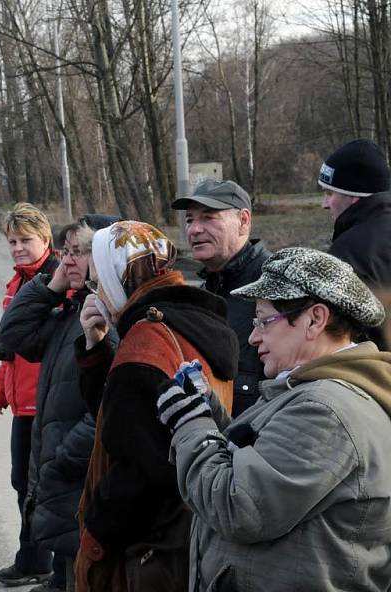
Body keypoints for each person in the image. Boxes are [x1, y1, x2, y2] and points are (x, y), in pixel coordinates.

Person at [158, 247, 391, 591]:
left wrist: (193, 426)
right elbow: (263, 463)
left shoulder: (326, 410)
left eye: (264, 321)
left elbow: (239, 506)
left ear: (315, 319)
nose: (253, 337)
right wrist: (210, 413)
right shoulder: (311, 393)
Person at [72, 221, 238, 592]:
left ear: (120, 278)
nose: (95, 293)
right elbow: (130, 419)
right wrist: (97, 348)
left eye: (98, 281)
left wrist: (94, 537)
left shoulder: (144, 346)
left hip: (153, 552)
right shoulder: (198, 322)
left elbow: (137, 468)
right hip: (202, 533)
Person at [0, 215, 119, 592]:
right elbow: (14, 334)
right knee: (69, 564)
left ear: (107, 258)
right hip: (65, 475)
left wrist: (66, 456)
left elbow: (108, 404)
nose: (67, 261)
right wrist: (52, 286)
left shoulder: (110, 316)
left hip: (84, 474)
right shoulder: (75, 309)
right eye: (65, 252)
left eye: (80, 252)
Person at [0, 203, 59, 587]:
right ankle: (34, 558)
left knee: (43, 486)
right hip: (24, 403)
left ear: (45, 239)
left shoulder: (59, 281)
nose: (18, 247)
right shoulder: (18, 283)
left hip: (48, 400)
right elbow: (12, 347)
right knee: (23, 483)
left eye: (26, 240)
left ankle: (41, 560)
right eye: (12, 241)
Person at [172, 179, 272, 416]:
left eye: (208, 217)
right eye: (189, 220)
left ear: (244, 221)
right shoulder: (206, 293)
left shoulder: (274, 284)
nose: (194, 229)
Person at [318, 138, 391, 348]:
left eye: (329, 193)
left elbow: (341, 338)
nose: (324, 204)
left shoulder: (348, 253)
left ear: (355, 197)